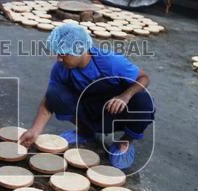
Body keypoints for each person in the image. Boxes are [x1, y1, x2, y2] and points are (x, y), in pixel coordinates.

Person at [19, 24, 154, 170]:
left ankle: (125, 141)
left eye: (63, 54)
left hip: (115, 111)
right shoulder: (61, 68)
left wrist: (125, 96)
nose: (58, 59)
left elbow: (144, 78)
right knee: (55, 93)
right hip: (89, 108)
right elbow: (49, 100)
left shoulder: (109, 61)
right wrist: (35, 130)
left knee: (143, 100)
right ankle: (85, 131)